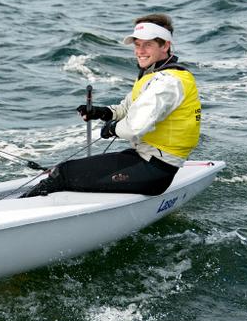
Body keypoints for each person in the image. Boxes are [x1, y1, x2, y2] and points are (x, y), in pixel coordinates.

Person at [22, 13, 201, 197]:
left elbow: (134, 128)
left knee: (63, 173)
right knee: (65, 173)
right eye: (137, 44)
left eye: (147, 44)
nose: (140, 51)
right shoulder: (156, 74)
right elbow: (128, 108)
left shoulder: (167, 82)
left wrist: (113, 129)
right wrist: (103, 113)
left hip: (154, 170)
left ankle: (18, 212)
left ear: (165, 45)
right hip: (148, 161)